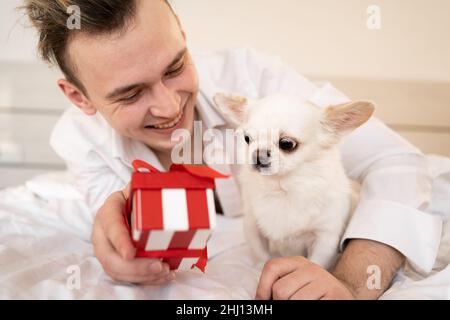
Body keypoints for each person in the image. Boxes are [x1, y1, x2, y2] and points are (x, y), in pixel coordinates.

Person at [23, 0, 441, 299]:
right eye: (130, 94)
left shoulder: (253, 78)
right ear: (80, 99)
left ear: (183, 36)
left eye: (175, 67)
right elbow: (111, 213)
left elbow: (396, 160)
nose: (170, 107)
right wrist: (114, 235)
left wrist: (353, 281)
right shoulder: (80, 139)